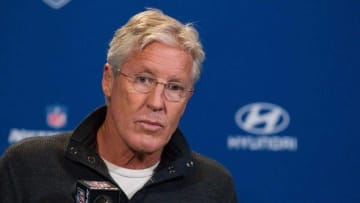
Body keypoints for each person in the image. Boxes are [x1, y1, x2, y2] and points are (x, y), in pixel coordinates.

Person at [0, 9, 237, 203]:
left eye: (174, 87)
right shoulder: (28, 167)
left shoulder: (213, 187)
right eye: (143, 80)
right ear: (108, 80)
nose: (156, 103)